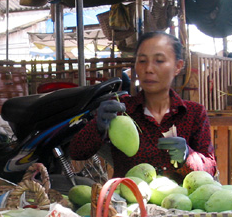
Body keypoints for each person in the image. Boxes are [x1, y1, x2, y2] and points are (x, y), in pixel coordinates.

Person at [69, 31, 218, 185]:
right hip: (128, 203)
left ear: (177, 67)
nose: (148, 69)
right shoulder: (121, 109)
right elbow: (77, 152)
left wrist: (188, 156)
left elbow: (210, 169)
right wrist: (97, 127)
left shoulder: (193, 113)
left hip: (179, 205)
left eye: (159, 61)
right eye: (142, 61)